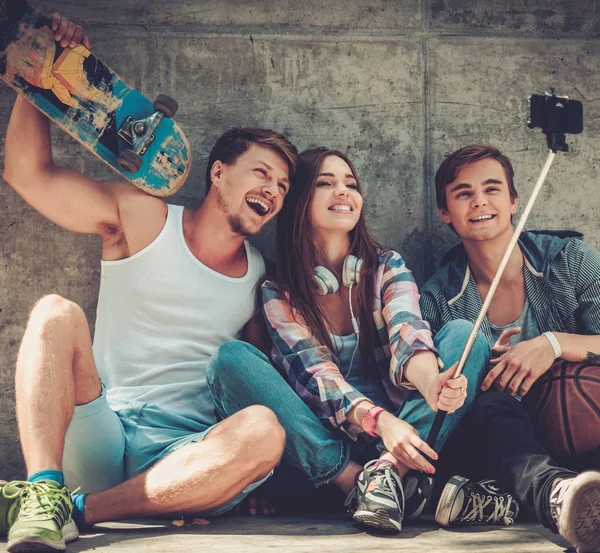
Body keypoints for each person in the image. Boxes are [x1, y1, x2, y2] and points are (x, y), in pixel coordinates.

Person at [0, 14, 297, 553]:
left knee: (263, 432)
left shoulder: (261, 277)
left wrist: (243, 475)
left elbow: (253, 383)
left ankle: (82, 511)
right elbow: (28, 175)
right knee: (53, 312)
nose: (273, 191)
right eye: (261, 173)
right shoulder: (144, 218)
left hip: (180, 458)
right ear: (219, 172)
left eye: (281, 185)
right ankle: (44, 492)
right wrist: (37, 82)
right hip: (102, 429)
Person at [207, 147, 508, 533]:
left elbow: (409, 335)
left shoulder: (387, 267)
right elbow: (319, 379)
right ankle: (371, 486)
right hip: (324, 453)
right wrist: (379, 422)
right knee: (230, 360)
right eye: (326, 183)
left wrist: (432, 383)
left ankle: (390, 477)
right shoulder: (278, 292)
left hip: (405, 434)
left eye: (350, 183)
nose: (343, 191)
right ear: (300, 201)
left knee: (465, 336)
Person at [419, 144, 600, 553]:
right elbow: (430, 405)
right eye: (463, 193)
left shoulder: (568, 261)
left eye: (492, 188)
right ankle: (555, 498)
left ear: (514, 200)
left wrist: (553, 344)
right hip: (502, 444)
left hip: (582, 432)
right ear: (445, 212)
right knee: (489, 408)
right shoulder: (437, 299)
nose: (479, 200)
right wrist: (478, 369)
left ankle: (531, 498)